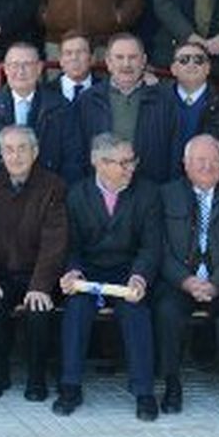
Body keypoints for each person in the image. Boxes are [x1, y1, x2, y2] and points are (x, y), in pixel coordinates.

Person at [54, 133, 161, 421]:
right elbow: (71, 245)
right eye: (121, 163)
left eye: (131, 161)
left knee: (136, 312)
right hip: (90, 272)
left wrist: (139, 277)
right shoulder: (77, 194)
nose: (130, 168)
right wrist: (73, 270)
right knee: (76, 309)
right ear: (99, 163)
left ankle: (144, 392)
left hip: (128, 271)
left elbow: (150, 246)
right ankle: (70, 386)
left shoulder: (147, 193)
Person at [154, 135, 219, 419]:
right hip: (179, 282)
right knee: (166, 311)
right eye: (200, 160)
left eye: (213, 161)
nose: (207, 166)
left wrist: (216, 284)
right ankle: (172, 384)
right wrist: (185, 281)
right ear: (186, 164)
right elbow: (158, 247)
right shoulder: (165, 195)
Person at [0, 125, 67, 403]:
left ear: (35, 152)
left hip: (40, 274)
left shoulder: (53, 187)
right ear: (1, 155)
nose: (16, 156)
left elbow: (55, 242)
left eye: (22, 149)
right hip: (3, 274)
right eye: (9, 150)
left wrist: (40, 286)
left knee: (38, 308)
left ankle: (36, 378)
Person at [0, 43, 78, 191]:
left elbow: (73, 161)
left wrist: (59, 197)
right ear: (6, 69)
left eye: (27, 64)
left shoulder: (60, 107)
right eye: (14, 65)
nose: (21, 71)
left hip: (48, 197)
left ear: (39, 68)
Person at [72, 34, 171, 184]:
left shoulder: (165, 100)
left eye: (133, 57)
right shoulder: (88, 100)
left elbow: (174, 151)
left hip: (151, 187)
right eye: (119, 57)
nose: (126, 64)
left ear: (143, 61)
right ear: (108, 62)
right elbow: (77, 152)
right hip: (101, 188)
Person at [161, 38, 219, 191]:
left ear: (208, 68)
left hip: (215, 192)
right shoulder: (155, 101)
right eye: (184, 60)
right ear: (173, 69)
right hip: (165, 191)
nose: (191, 64)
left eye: (198, 60)